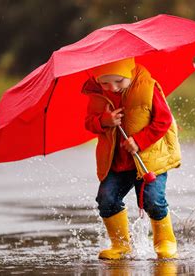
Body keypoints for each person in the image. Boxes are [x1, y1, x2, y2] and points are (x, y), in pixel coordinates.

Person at [82, 57, 181, 259]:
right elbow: (89, 123)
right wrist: (104, 121)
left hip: (148, 159)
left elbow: (163, 120)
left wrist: (140, 140)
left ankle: (165, 241)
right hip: (116, 162)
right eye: (105, 82)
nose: (112, 87)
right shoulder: (97, 95)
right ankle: (120, 244)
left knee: (153, 200)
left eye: (119, 81)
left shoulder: (148, 87)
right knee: (106, 199)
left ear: (129, 72)